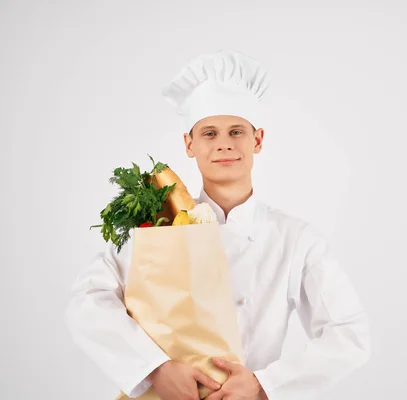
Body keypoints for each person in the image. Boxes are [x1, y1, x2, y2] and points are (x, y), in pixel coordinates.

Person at [64, 50, 371, 400]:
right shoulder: (155, 227)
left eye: (236, 131)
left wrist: (265, 384)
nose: (224, 143)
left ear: (257, 140)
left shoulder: (295, 239)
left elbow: (348, 334)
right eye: (209, 133)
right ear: (189, 145)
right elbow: (87, 301)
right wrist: (154, 369)